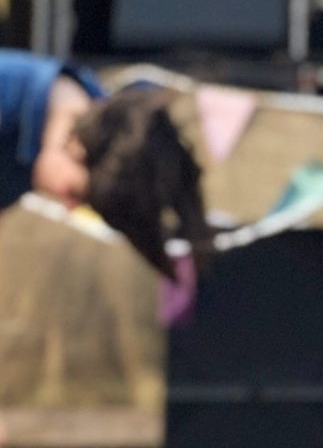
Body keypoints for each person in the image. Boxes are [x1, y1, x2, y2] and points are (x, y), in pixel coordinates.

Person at [0, 50, 209, 279]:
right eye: (74, 193)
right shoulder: (8, 92)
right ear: (76, 147)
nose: (68, 206)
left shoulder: (51, 145)